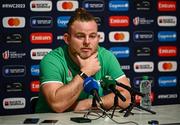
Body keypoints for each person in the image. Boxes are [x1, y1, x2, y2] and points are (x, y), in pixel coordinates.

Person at [35, 8, 131, 113]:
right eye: (80, 36)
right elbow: (57, 105)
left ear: (98, 38)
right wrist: (85, 72)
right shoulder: (52, 60)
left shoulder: (106, 57)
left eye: (92, 36)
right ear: (67, 39)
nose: (87, 42)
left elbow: (127, 97)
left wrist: (89, 103)